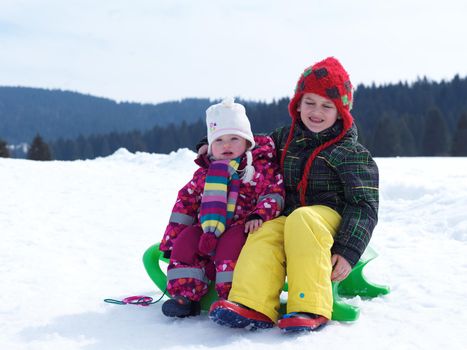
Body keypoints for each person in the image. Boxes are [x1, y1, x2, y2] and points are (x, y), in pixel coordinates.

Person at [208, 57, 379, 333]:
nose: (316, 112)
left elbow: (364, 206)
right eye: (310, 102)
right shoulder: (284, 138)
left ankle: (310, 304)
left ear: (341, 113)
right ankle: (252, 303)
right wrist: (216, 145)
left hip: (330, 222)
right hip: (290, 218)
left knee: (303, 219)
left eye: (327, 106)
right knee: (263, 231)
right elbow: (250, 148)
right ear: (298, 104)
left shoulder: (352, 154)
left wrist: (348, 252)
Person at [159, 97, 285, 318]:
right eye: (219, 141)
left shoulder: (256, 170)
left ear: (247, 143)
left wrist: (259, 214)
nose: (226, 145)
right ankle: (184, 295)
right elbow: (185, 203)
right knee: (187, 241)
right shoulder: (205, 173)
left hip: (241, 226)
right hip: (207, 226)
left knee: (231, 246)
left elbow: (274, 193)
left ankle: (234, 296)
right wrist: (172, 239)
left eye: (234, 139)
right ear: (210, 147)